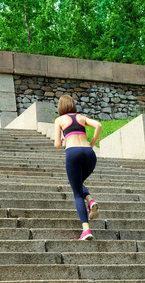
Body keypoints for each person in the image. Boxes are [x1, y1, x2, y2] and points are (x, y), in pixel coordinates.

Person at [54, 95, 103, 240]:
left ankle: (86, 230)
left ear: (60, 107)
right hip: (89, 154)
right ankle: (90, 200)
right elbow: (99, 125)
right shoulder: (81, 117)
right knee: (78, 183)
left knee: (76, 192)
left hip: (73, 153)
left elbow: (57, 144)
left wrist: (63, 139)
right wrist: (92, 144)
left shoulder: (59, 120)